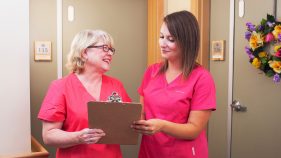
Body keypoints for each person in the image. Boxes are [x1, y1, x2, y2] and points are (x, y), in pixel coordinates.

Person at [131, 10, 216, 158]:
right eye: (161, 37)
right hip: (150, 151)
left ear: (186, 41)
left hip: (184, 153)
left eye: (170, 39)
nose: (162, 44)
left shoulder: (202, 78)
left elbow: (194, 130)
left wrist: (162, 125)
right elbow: (142, 112)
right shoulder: (152, 71)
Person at [38, 29, 131, 158]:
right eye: (105, 48)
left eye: (111, 50)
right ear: (84, 52)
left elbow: (127, 123)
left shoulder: (116, 85)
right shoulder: (60, 87)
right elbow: (48, 136)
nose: (110, 53)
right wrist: (78, 137)